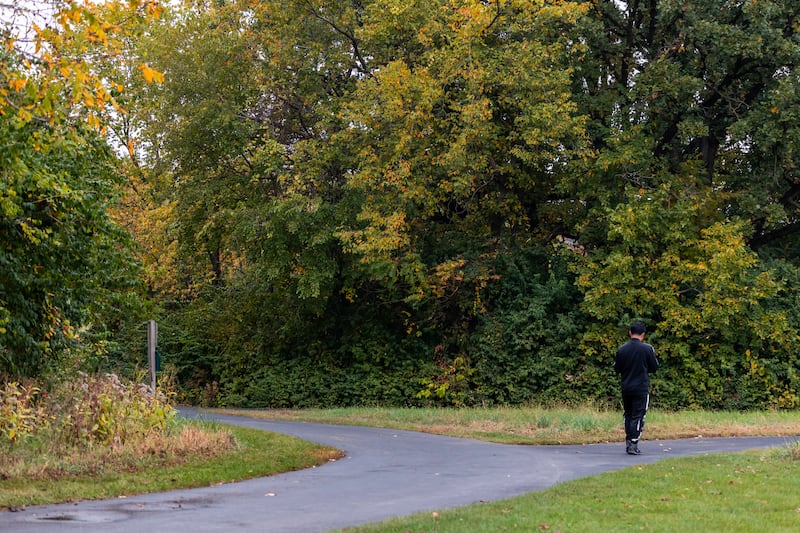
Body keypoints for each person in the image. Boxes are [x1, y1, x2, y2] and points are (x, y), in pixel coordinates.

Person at [614, 320, 659, 455]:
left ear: (630, 333)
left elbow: (617, 368)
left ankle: (628, 440)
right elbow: (654, 367)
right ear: (643, 334)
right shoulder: (647, 349)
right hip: (640, 387)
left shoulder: (622, 349)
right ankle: (634, 443)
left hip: (626, 386)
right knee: (638, 415)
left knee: (628, 414)